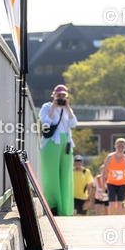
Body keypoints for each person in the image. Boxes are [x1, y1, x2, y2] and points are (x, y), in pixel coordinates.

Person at [39, 84, 78, 216]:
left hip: (66, 143)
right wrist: (54, 107)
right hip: (51, 143)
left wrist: (67, 107)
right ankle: (51, 206)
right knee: (51, 176)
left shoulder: (67, 109)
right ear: (53, 95)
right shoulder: (47, 107)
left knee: (66, 175)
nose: (61, 98)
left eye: (64, 96)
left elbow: (73, 124)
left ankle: (65, 208)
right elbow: (45, 123)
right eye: (59, 95)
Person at [100, 138, 125, 216]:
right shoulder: (110, 157)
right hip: (111, 183)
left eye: (122, 146)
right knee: (112, 203)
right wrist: (103, 186)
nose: (120, 148)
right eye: (118, 146)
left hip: (122, 183)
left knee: (119, 204)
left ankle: (118, 219)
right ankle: (111, 218)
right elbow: (104, 172)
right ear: (115, 146)